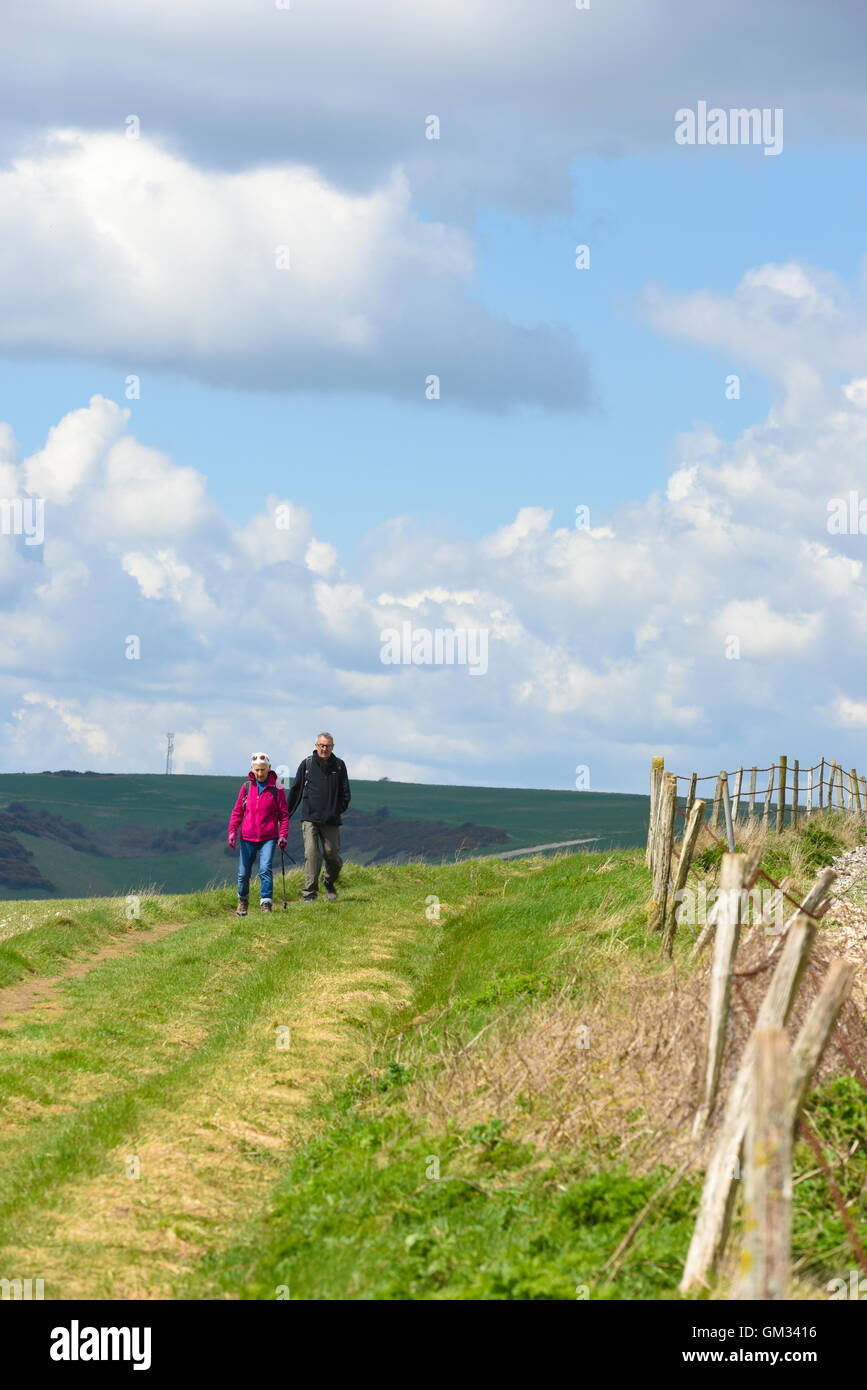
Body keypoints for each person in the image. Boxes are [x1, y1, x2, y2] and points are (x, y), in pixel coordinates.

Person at [286, 733, 350, 902]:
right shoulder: (307, 764)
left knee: (332, 855)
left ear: (332, 747)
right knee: (311, 854)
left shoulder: (339, 766)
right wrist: (285, 815)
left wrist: (336, 810)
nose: (324, 749)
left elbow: (346, 793)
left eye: (327, 746)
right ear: (316, 746)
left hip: (331, 820)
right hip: (310, 818)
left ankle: (328, 881)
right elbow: (296, 791)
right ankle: (309, 894)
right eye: (321, 745)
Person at [228, 752, 289, 915]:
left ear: (269, 768)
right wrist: (232, 831)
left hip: (268, 837)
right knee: (243, 874)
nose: (260, 773)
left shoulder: (278, 788)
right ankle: (242, 901)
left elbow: (283, 815)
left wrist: (283, 835)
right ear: (252, 769)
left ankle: (266, 903)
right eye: (257, 770)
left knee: (265, 870)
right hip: (247, 837)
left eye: (263, 770)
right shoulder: (246, 787)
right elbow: (237, 812)